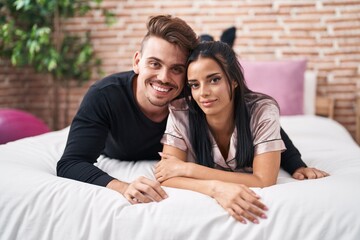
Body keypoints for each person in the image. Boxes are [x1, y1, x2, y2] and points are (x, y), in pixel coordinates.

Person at [57, 14, 324, 210]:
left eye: (177, 68)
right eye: (154, 64)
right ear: (137, 61)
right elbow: (71, 163)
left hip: (178, 159)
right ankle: (216, 40)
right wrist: (122, 186)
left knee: (211, 56)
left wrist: (295, 163)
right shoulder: (105, 96)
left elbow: (255, 115)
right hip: (126, 153)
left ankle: (218, 43)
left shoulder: (194, 92)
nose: (164, 78)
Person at [155, 41, 329, 224]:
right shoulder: (180, 111)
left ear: (234, 80)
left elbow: (264, 180)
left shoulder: (263, 109)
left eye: (214, 79)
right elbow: (166, 176)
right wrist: (214, 188)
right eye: (194, 84)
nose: (203, 93)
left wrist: (188, 169)